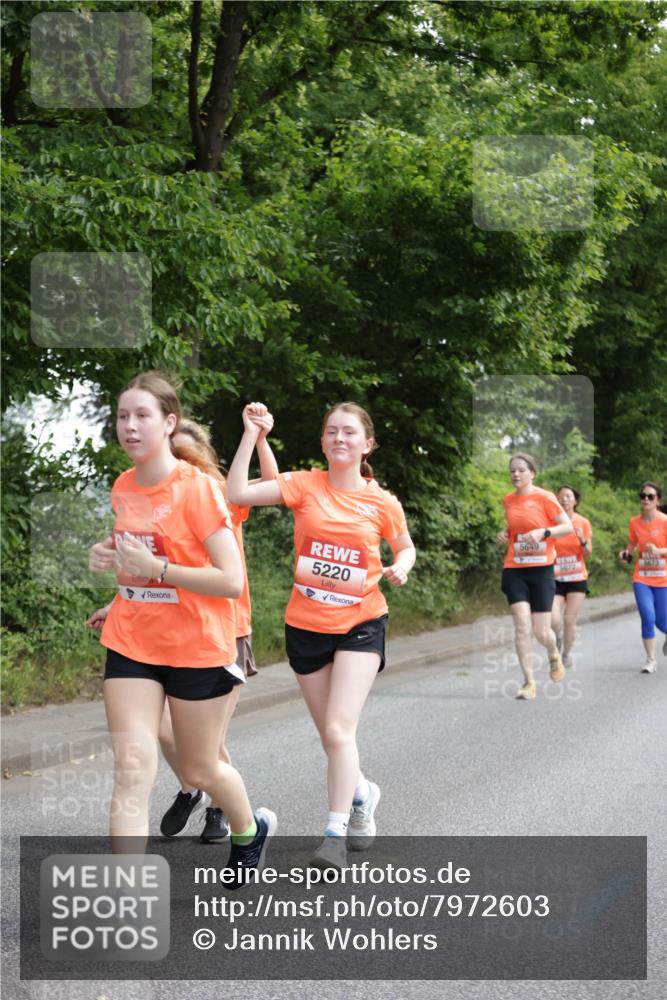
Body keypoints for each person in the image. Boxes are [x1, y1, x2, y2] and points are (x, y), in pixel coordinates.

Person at [88, 371, 275, 882]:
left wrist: (159, 569)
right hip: (133, 642)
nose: (130, 426)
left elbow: (231, 580)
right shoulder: (124, 486)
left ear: (169, 423)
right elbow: (139, 560)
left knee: (199, 769)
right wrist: (111, 563)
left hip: (196, 647)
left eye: (142, 416)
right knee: (131, 770)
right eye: (122, 416)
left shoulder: (199, 490)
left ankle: (249, 829)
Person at [227, 401, 416, 871]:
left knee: (337, 730)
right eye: (331, 431)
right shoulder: (304, 484)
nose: (339, 438)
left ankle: (334, 835)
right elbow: (237, 491)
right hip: (306, 626)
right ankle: (362, 793)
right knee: (331, 737)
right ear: (323, 442)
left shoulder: (382, 501)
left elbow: (405, 546)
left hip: (361, 622)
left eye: (349, 432)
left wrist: (402, 566)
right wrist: (253, 435)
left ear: (367, 444)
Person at [495, 453, 573, 700]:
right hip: (515, 568)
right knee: (521, 625)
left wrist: (544, 532)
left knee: (541, 632)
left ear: (532, 473)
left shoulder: (545, 497)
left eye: (521, 470)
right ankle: (529, 682)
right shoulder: (508, 500)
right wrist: (505, 534)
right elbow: (516, 528)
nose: (516, 474)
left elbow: (567, 527)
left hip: (541, 570)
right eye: (512, 471)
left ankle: (553, 653)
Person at [619, 481, 667, 673]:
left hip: (663, 579)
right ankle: (651, 660)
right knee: (648, 616)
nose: (646, 499)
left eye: (650, 496)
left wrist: (659, 551)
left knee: (662, 622)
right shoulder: (634, 522)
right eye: (643, 496)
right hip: (642, 578)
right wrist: (626, 554)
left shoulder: (665, 521)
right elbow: (632, 544)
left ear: (657, 500)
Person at [551, 485, 592, 669]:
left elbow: (587, 553)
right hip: (555, 578)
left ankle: (566, 655)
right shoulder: (552, 522)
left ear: (575, 501)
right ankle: (557, 636)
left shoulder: (583, 522)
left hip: (576, 578)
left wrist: (582, 540)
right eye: (561, 496)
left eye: (568, 496)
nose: (564, 499)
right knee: (553, 618)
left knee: (569, 620)